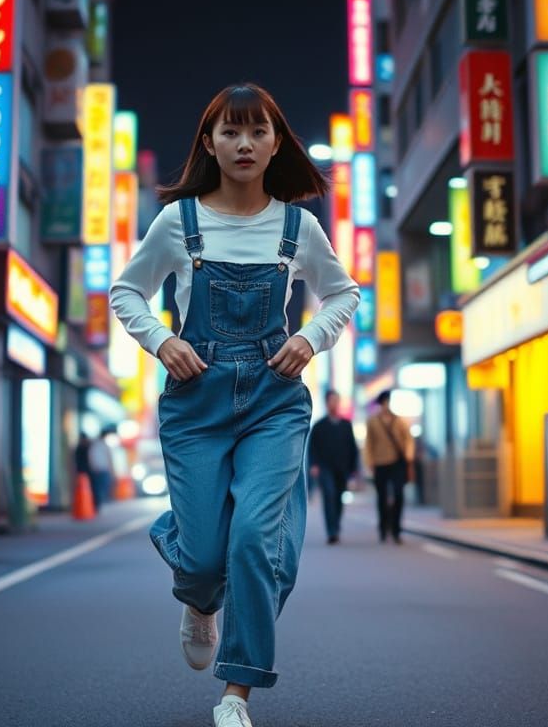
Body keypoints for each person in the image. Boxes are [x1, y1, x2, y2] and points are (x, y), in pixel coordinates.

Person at [110, 84, 359, 727]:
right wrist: (164, 342)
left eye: (257, 131)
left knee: (255, 542)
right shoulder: (178, 221)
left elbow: (342, 294)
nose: (244, 144)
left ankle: (235, 694)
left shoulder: (298, 226)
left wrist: (309, 337)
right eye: (230, 131)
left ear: (278, 142)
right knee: (201, 559)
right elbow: (127, 292)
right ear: (209, 143)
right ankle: (197, 596)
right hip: (197, 402)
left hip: (274, 402)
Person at [307, 389, 359, 544]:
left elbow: (352, 447)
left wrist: (354, 467)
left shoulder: (346, 425)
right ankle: (331, 531)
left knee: (338, 497)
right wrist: (313, 465)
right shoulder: (319, 426)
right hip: (324, 467)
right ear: (326, 403)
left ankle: (336, 525)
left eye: (336, 400)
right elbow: (312, 447)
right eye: (331, 400)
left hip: (342, 468)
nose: (334, 403)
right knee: (329, 495)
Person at [364, 390, 415, 544]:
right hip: (379, 463)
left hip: (397, 462)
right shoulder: (372, 421)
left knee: (399, 494)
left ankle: (396, 529)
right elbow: (369, 443)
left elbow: (408, 440)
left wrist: (409, 457)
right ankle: (383, 527)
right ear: (380, 404)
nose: (386, 405)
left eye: (388, 401)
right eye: (384, 402)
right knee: (382, 497)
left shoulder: (399, 421)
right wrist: (369, 462)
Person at [86, 427, 114, 511]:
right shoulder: (97, 444)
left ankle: (99, 504)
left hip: (101, 469)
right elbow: (92, 457)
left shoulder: (99, 444)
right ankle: (98, 505)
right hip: (99, 469)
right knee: (99, 488)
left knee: (101, 487)